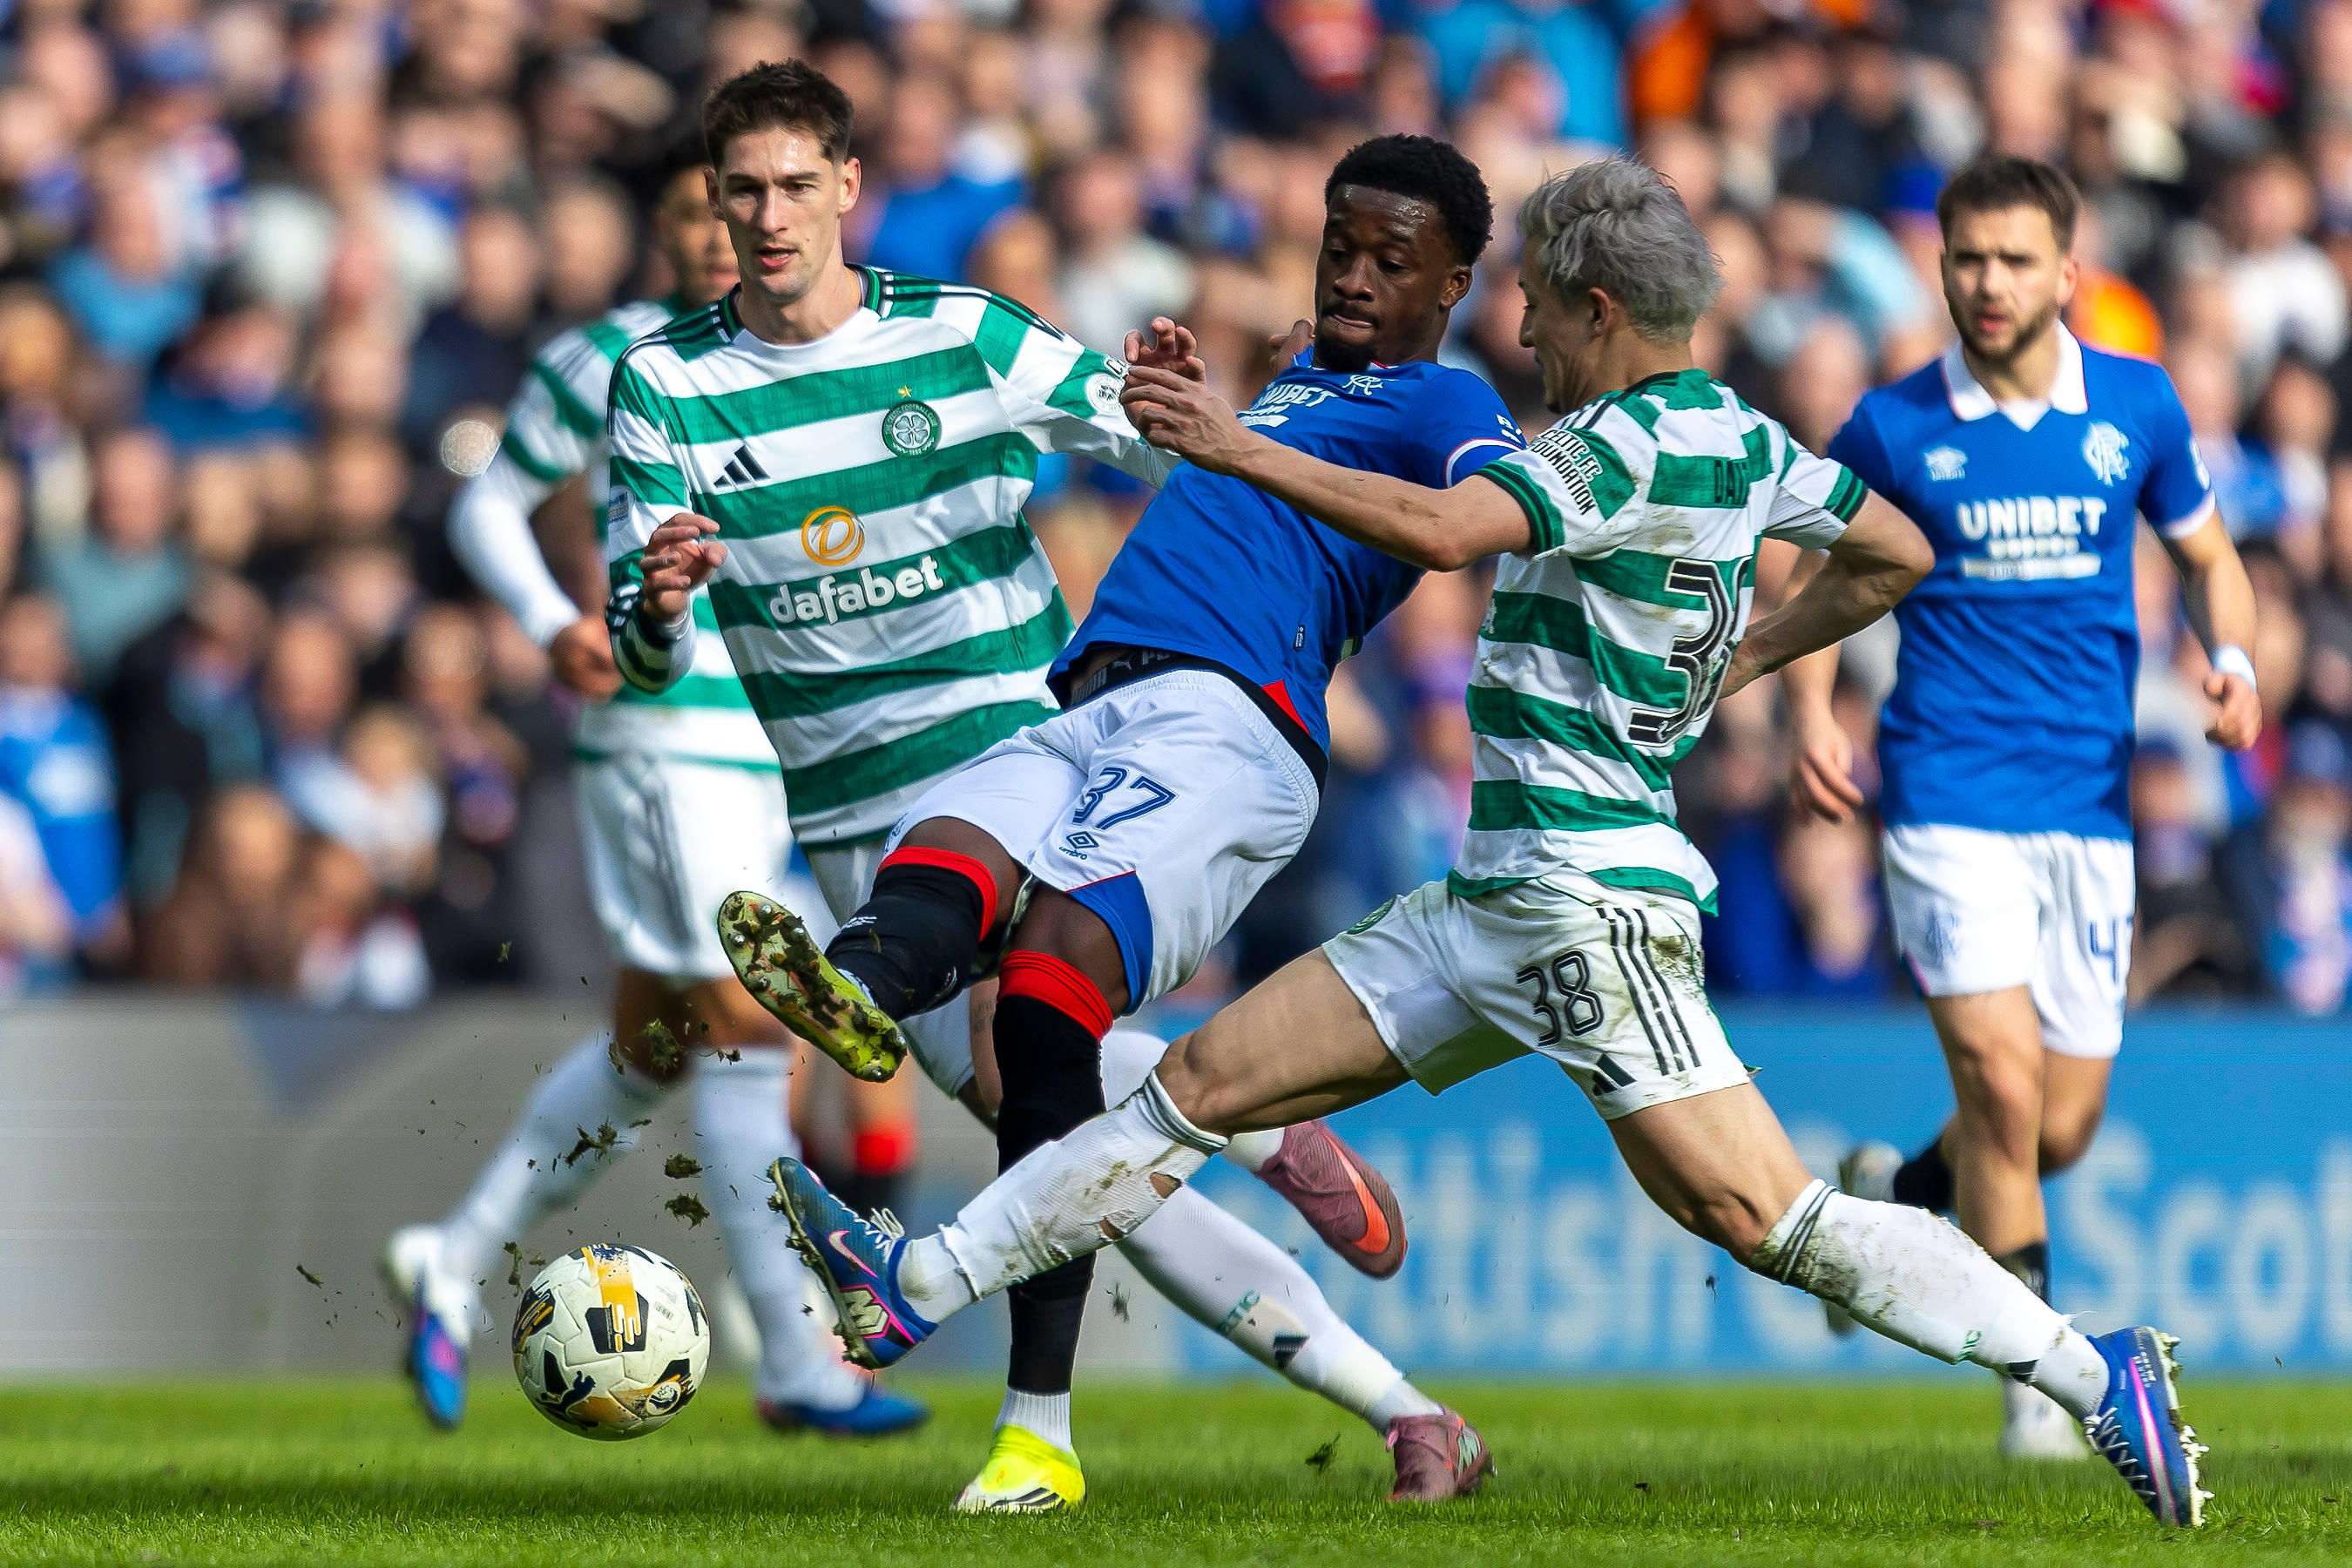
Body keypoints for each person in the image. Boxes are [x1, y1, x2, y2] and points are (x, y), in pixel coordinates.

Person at [770, 157, 2212, 1531]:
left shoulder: (1614, 443)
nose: (1516, 328)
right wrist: (1740, 660)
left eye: (1533, 302)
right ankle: (917, 1282)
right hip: (1488, 903)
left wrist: (1233, 444)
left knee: (1776, 1220)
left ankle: (2095, 1375)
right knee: (1197, 1087)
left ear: (1596, 311)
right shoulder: (1749, 437)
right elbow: (1893, 549)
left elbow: (1452, 529)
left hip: (1585, 906)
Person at [609, 62, 1464, 1511]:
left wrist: (1184, 391)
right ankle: (1284, 1191)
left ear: (847, 191)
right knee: (1069, 1130)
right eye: (742, 191)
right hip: (845, 811)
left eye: (797, 188)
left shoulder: (966, 338)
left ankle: (1040, 1432)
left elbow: (1163, 441)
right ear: (714, 202)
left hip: (1017, 753)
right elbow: (641, 642)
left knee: (1041, 1095)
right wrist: (665, 605)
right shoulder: (664, 386)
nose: (769, 217)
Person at [380, 151, 927, 1439]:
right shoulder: (613, 355)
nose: (728, 225)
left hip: (785, 740)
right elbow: (489, 509)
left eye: (749, 200)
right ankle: (800, 1368)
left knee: (652, 1052)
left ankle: (450, 1259)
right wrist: (545, 618)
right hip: (666, 732)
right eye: (701, 206)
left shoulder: (818, 357)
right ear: (674, 229)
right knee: (752, 1026)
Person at [1787, 157, 2261, 1461]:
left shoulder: (2140, 409)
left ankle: (1897, 1194)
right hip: (1944, 788)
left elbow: (2214, 561)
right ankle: (2042, 1395)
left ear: (2067, 272)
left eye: (2012, 260)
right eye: (1966, 259)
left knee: (2059, 1122)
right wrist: (1811, 712)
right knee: (2000, 1090)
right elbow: (1823, 569)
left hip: (2089, 806)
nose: (1986, 284)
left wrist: (2236, 662)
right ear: (1941, 268)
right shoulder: (1891, 428)